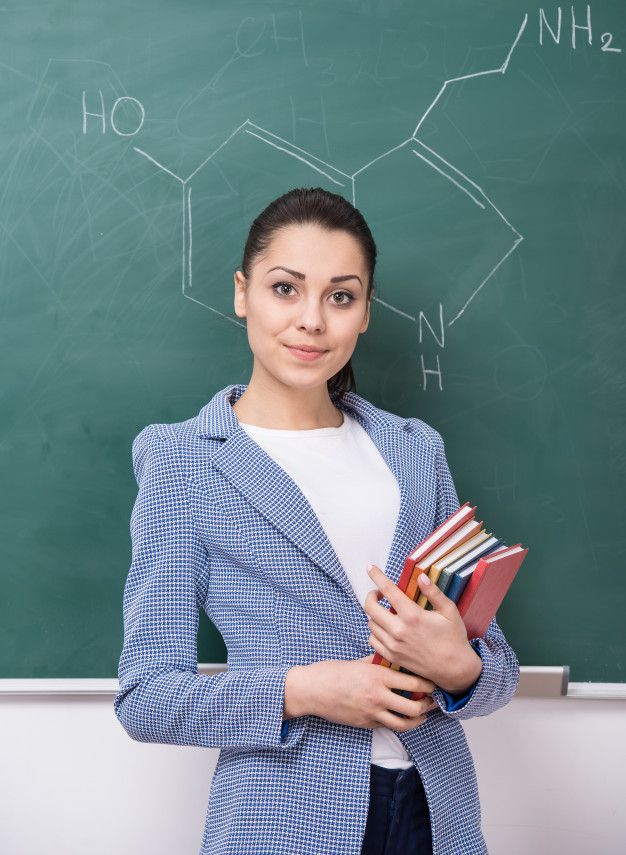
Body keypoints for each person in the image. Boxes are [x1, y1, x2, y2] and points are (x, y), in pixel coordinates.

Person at [114, 187, 520, 855]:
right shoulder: (184, 461)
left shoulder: (416, 450)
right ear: (243, 293)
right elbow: (147, 698)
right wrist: (303, 690)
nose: (312, 320)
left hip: (437, 814)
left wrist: (461, 669)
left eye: (340, 296)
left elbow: (495, 665)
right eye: (285, 288)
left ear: (364, 312)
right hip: (282, 821)